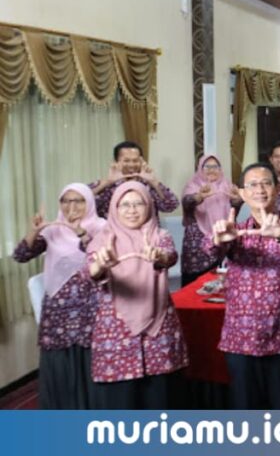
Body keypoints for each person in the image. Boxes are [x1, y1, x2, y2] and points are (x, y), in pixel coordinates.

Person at [205, 162, 280, 409]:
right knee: (246, 410)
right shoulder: (236, 230)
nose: (260, 189)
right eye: (252, 184)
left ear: (277, 189)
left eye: (266, 183)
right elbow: (211, 250)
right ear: (242, 193)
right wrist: (218, 239)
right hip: (240, 340)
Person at [87, 181, 187, 409]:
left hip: (159, 326)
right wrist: (99, 266)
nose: (132, 210)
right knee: (121, 401)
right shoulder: (102, 239)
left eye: (138, 203)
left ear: (149, 206)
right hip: (116, 329)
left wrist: (159, 257)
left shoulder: (159, 235)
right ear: (114, 208)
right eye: (125, 205)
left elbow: (169, 256)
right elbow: (90, 270)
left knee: (160, 396)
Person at [12, 184, 104, 409]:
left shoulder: (102, 227)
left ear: (89, 202)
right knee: (60, 359)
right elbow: (21, 255)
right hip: (58, 306)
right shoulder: (52, 229)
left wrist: (81, 232)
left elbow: (98, 254)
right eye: (66, 201)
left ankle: (92, 408)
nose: (71, 206)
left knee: (89, 355)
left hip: (91, 303)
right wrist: (35, 230)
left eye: (78, 201)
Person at [180, 154, 242, 287]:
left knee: (219, 278)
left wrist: (237, 200)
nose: (211, 170)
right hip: (197, 243)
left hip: (221, 237)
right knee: (194, 284)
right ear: (200, 168)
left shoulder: (227, 185)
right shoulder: (193, 185)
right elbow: (186, 202)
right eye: (207, 166)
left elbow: (233, 212)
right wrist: (199, 196)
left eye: (215, 166)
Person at [89, 141, 179, 219]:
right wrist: (107, 182)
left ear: (142, 161)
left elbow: (171, 205)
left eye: (135, 160)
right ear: (116, 162)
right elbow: (84, 205)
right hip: (113, 236)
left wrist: (154, 181)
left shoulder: (149, 185)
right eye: (126, 161)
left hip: (146, 236)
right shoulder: (105, 185)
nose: (131, 165)